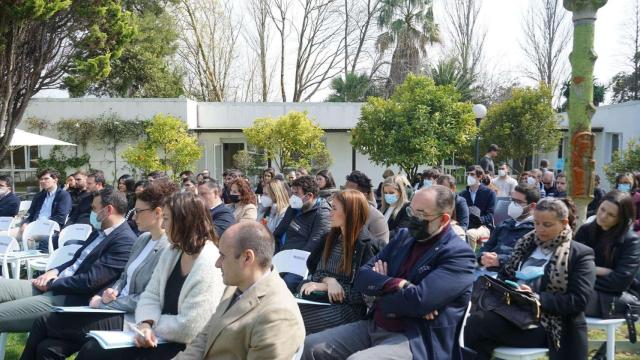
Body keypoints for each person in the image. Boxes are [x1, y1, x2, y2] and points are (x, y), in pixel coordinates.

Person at [302, 185, 476, 360]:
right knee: (311, 347)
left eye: (421, 214)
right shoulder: (403, 238)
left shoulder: (458, 255)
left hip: (416, 337)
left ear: (444, 219)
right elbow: (363, 277)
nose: (413, 218)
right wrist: (398, 284)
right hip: (376, 324)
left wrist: (381, 289)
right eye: (411, 211)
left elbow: (420, 301)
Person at [20, 181, 177, 360]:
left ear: (157, 213)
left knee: (44, 322)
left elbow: (148, 297)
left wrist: (106, 302)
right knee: (48, 348)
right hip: (110, 307)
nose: (133, 217)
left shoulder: (167, 249)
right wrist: (114, 290)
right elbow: (124, 277)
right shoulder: (143, 240)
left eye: (138, 211)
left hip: (131, 317)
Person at [76, 192, 224, 360]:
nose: (164, 226)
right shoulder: (172, 251)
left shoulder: (208, 261)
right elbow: (151, 295)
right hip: (158, 335)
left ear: (184, 222)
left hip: (187, 346)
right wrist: (146, 324)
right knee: (92, 348)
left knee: (96, 353)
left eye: (167, 219)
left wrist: (151, 327)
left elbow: (190, 327)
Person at [464, 198, 596, 360]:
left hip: (550, 324)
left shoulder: (579, 254)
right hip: (514, 311)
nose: (540, 229)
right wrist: (511, 290)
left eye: (547, 224)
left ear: (564, 222)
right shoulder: (526, 244)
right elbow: (506, 276)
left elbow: (579, 300)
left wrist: (537, 297)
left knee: (477, 324)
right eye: (536, 223)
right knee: (474, 328)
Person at [0, 188, 136, 333]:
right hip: (55, 285)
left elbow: (90, 281)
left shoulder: (124, 242)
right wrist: (54, 271)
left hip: (68, 298)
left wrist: (52, 283)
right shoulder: (100, 232)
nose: (92, 213)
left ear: (108, 210)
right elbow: (76, 261)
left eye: (94, 209)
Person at [173, 222, 305, 360]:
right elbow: (203, 339)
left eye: (223, 256)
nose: (217, 263)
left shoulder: (279, 317)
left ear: (247, 258)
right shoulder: (236, 285)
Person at [298, 190, 376, 334]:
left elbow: (365, 295)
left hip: (348, 310)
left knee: (293, 318)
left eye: (334, 208)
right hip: (323, 301)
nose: (330, 213)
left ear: (350, 212)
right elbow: (317, 272)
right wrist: (329, 281)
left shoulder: (365, 246)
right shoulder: (330, 238)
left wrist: (328, 287)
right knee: (285, 310)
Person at [576, 191, 640, 319]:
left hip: (620, 295)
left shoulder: (631, 241)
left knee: (570, 301)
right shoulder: (585, 231)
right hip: (584, 288)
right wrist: (603, 271)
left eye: (611, 215)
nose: (603, 216)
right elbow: (571, 264)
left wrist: (590, 272)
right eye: (602, 209)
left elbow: (620, 282)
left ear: (621, 218)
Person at [274, 175, 331, 292]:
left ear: (309, 196)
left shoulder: (322, 213)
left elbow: (314, 244)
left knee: (285, 285)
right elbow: (279, 232)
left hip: (304, 262)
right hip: (285, 256)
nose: (292, 197)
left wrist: (292, 264)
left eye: (296, 193)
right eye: (292, 193)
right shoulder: (294, 207)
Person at [478, 184, 540, 272]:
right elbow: (488, 246)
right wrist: (482, 257)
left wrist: (500, 260)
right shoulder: (504, 224)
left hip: (510, 275)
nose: (513, 204)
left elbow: (527, 258)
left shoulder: (536, 230)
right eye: (512, 200)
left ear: (532, 206)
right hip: (487, 269)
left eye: (518, 202)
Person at [22, 169, 72, 251]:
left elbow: (60, 217)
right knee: (7, 234)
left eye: (46, 179)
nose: (42, 181)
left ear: (55, 180)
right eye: (41, 179)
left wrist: (41, 225)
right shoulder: (39, 196)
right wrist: (25, 223)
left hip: (50, 227)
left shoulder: (63, 195)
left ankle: (29, 261)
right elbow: (30, 213)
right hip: (33, 226)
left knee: (28, 237)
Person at [345, 170, 389, 248]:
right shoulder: (340, 212)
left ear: (365, 195)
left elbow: (380, 250)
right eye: (344, 191)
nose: (345, 195)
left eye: (351, 192)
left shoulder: (376, 218)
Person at [460, 166, 496, 247]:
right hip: (466, 225)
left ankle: (470, 259)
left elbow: (490, 215)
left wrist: (478, 220)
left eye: (472, 174)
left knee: (470, 234)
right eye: (468, 174)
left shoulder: (490, 193)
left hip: (484, 227)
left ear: (480, 177)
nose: (469, 176)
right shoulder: (462, 194)